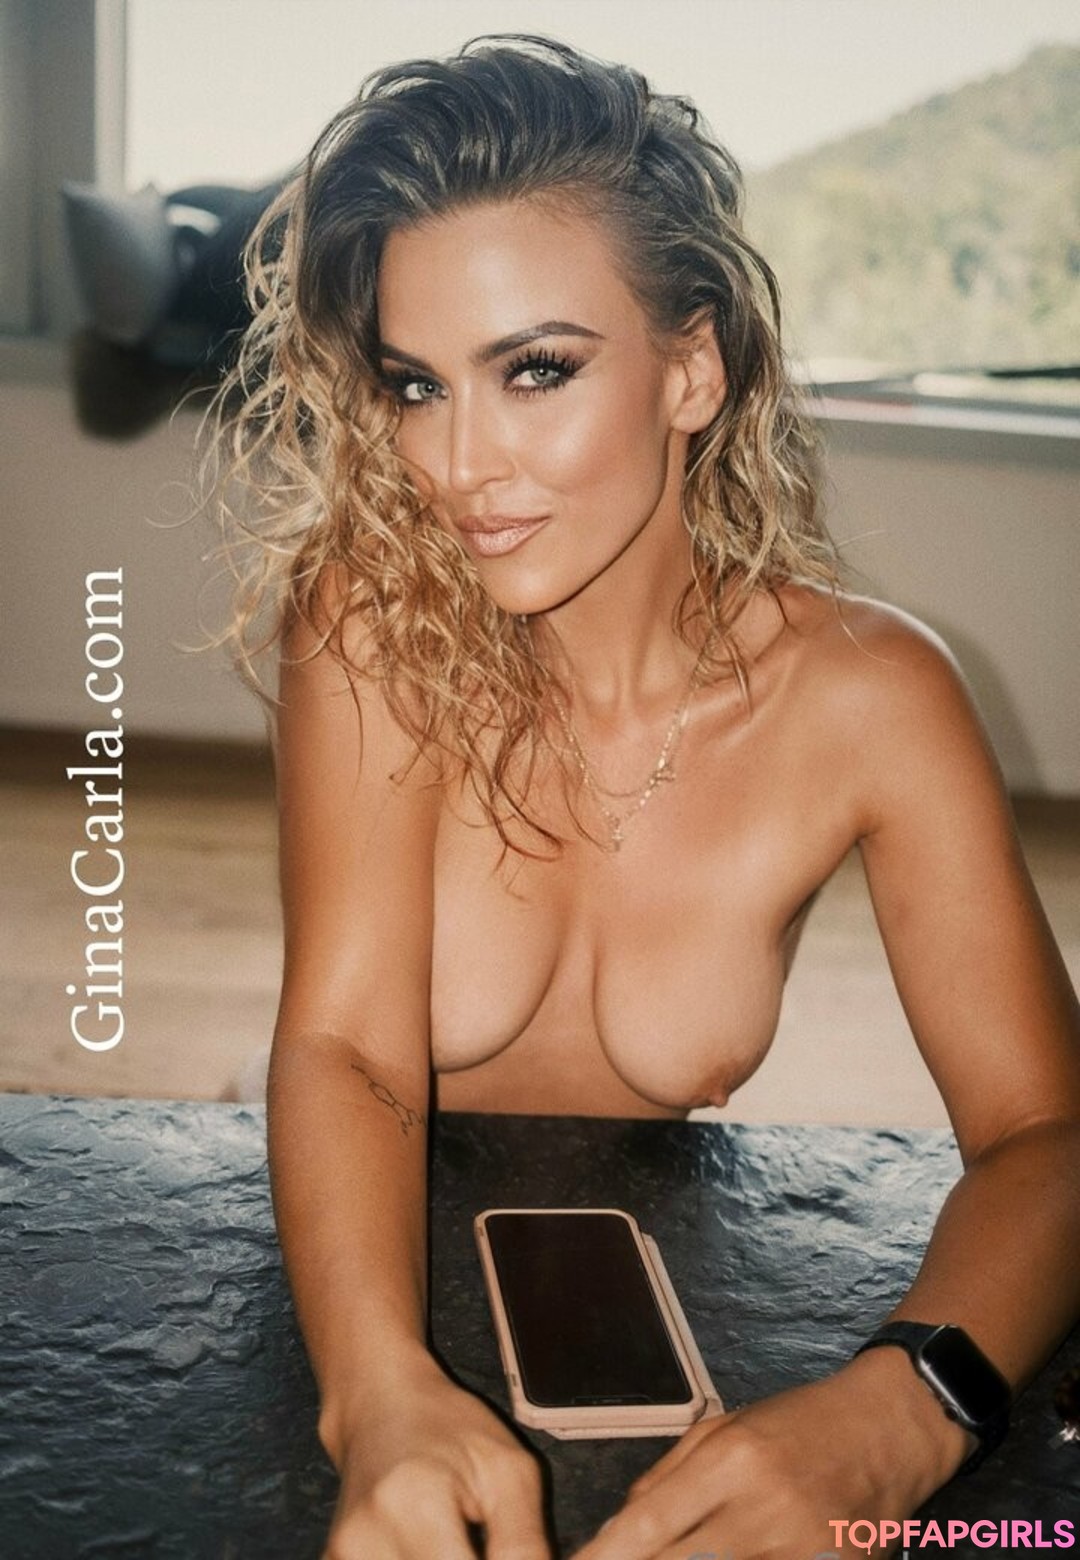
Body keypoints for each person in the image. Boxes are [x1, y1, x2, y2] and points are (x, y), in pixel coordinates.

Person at [211, 34, 1080, 1560]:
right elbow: (345, 1045)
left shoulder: (875, 698)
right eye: (416, 386)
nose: (458, 464)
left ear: (693, 370)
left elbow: (1046, 1136)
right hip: (350, 1263)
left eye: (535, 371)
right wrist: (375, 1393)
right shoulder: (371, 619)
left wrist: (902, 1412)